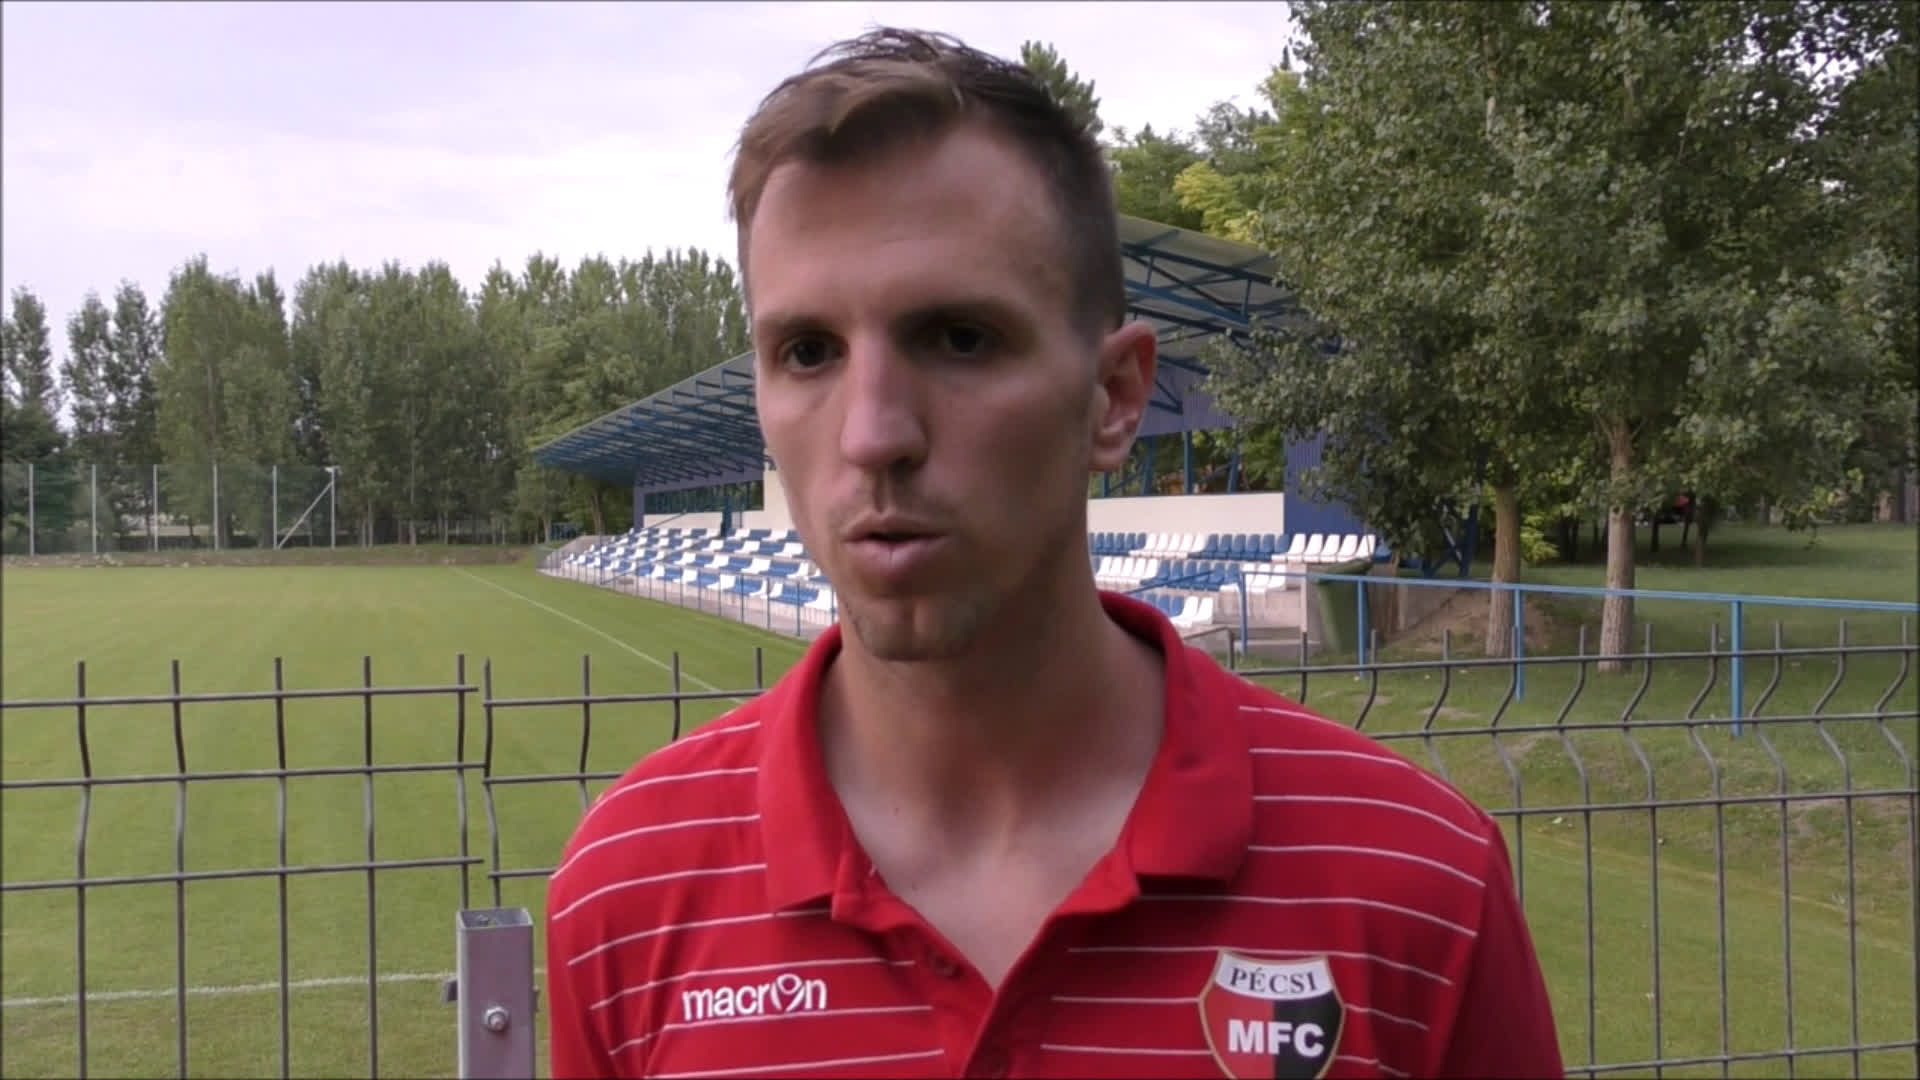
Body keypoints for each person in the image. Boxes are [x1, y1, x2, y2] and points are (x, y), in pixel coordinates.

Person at [545, 27, 1564, 1080]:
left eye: (960, 338)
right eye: (808, 352)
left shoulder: (1418, 883)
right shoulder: (627, 892)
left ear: (1114, 397)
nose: (874, 434)